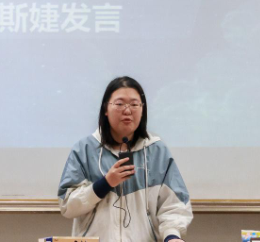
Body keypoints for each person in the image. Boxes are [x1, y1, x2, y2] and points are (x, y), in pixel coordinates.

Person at [58, 76, 193, 242]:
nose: (127, 111)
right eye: (120, 104)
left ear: (142, 110)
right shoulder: (84, 150)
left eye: (135, 104)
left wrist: (172, 236)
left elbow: (174, 205)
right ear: (105, 109)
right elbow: (67, 206)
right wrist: (105, 183)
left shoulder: (157, 151)